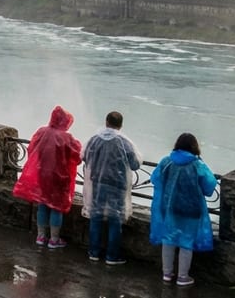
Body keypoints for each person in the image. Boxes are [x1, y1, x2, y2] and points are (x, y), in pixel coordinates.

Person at [150, 133, 217, 286]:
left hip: (169, 208)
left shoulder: (167, 161)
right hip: (191, 210)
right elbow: (209, 187)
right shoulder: (198, 165)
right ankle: (182, 276)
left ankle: (167, 273)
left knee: (168, 239)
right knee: (186, 242)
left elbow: (156, 179)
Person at [12, 106, 82, 249]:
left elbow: (31, 148)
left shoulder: (42, 132)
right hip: (59, 177)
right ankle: (54, 239)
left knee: (43, 204)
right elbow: (77, 156)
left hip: (42, 174)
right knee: (56, 207)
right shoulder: (66, 137)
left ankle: (41, 236)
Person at [82, 111, 141, 264]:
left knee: (96, 216)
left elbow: (84, 156)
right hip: (118, 185)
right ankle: (112, 256)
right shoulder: (124, 142)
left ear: (106, 121)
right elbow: (135, 164)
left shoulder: (94, 139)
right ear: (121, 125)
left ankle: (93, 252)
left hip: (97, 184)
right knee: (115, 219)